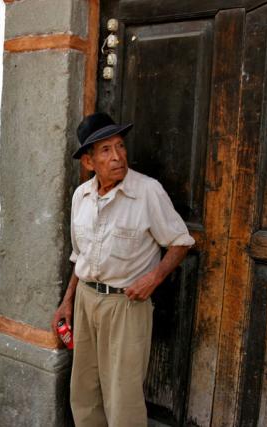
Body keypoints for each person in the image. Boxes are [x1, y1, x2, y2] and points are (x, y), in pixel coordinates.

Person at [52, 112, 195, 426]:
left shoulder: (147, 191)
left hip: (127, 305)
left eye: (120, 146)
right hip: (86, 301)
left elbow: (181, 242)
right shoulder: (81, 197)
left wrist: (153, 279)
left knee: (123, 396)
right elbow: (81, 256)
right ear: (89, 162)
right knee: (84, 390)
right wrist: (67, 302)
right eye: (105, 151)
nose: (117, 156)